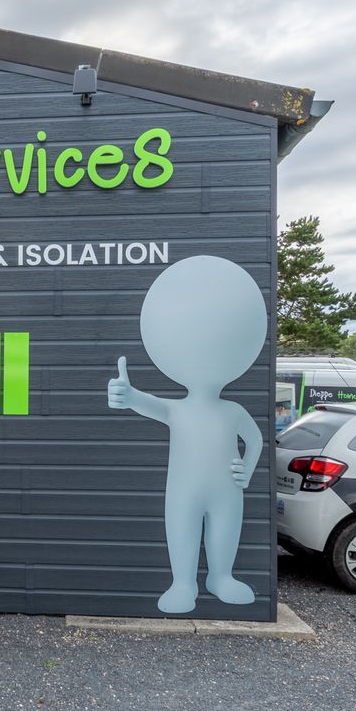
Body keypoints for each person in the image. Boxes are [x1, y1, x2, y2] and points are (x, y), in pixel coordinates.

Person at [107, 255, 268, 612]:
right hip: (183, 490)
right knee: (181, 525)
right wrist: (129, 395)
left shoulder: (233, 411)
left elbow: (255, 439)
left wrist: (247, 469)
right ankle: (183, 582)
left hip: (228, 488)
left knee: (226, 526)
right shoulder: (178, 409)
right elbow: (152, 404)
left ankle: (220, 576)